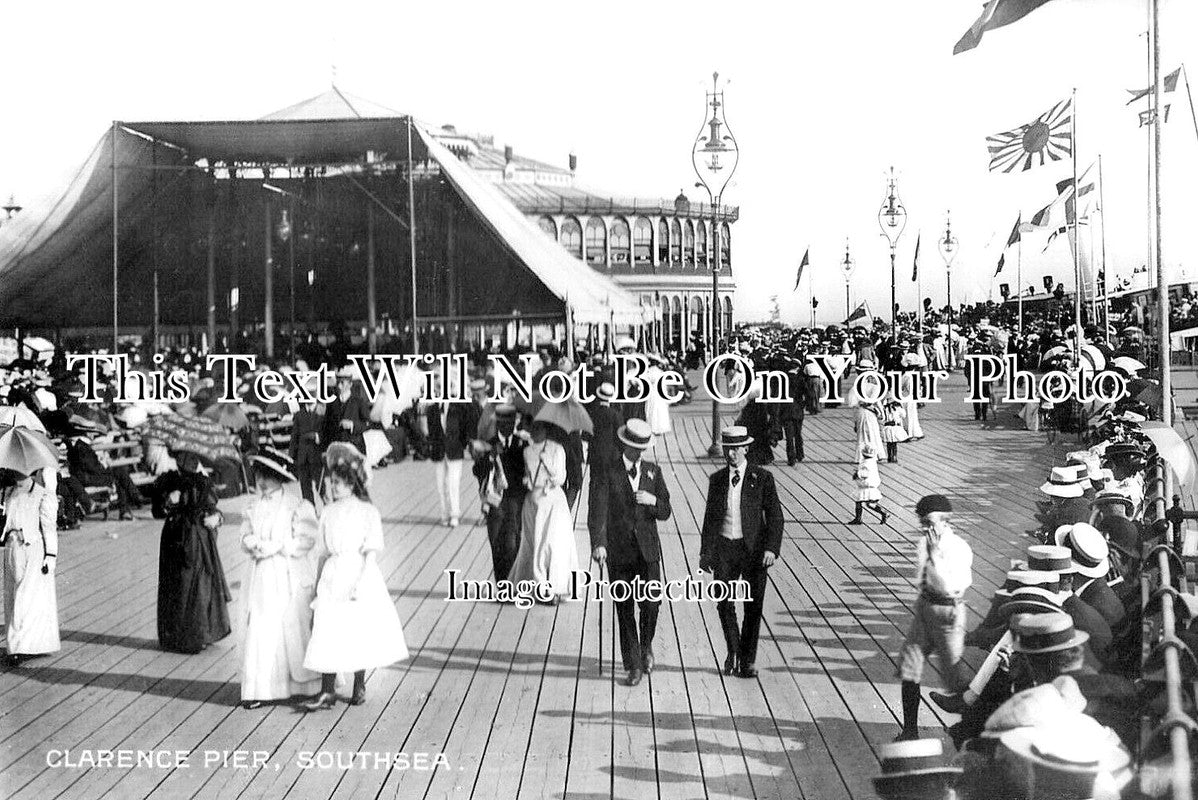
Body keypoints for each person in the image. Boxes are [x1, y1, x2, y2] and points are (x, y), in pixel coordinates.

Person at [302, 443, 408, 710]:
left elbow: (371, 551)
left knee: (356, 626)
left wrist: (362, 581)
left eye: (338, 483)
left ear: (351, 483)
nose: (333, 487)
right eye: (331, 482)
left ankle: (359, 683)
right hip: (332, 572)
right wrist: (317, 586)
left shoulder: (367, 511)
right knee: (327, 625)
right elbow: (323, 552)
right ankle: (327, 688)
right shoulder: (328, 512)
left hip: (357, 571)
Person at [588, 419, 672, 687]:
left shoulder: (652, 472)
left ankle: (646, 645)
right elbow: (597, 510)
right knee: (625, 609)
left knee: (652, 604)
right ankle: (633, 664)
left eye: (642, 448)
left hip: (648, 551)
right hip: (619, 550)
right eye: (635, 447)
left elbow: (666, 511)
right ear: (625, 445)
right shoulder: (608, 472)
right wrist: (598, 543)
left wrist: (654, 501)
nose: (639, 452)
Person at [236, 449, 321, 709]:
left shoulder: (296, 505)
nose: (261, 482)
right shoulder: (253, 507)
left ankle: (305, 684)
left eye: (267, 476)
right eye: (259, 475)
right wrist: (253, 543)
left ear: (279, 477)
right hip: (262, 575)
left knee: (293, 624)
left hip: (287, 572)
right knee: (262, 626)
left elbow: (307, 538)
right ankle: (261, 687)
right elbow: (245, 533)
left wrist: (279, 546)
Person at [699, 426, 783, 678]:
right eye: (728, 449)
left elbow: (776, 517)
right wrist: (705, 553)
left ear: (746, 448)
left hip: (754, 551)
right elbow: (709, 519)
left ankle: (746, 661)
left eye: (736, 449)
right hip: (724, 548)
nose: (731, 454)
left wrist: (771, 548)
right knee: (724, 603)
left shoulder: (763, 478)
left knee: (753, 607)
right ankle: (733, 650)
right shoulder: (717, 480)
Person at [895, 494, 972, 741]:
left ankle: (969, 730)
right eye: (923, 523)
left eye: (931, 522)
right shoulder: (923, 544)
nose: (926, 528)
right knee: (910, 667)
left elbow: (952, 585)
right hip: (926, 607)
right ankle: (910, 730)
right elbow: (921, 577)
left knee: (954, 678)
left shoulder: (959, 548)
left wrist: (936, 553)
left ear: (946, 521)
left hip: (949, 611)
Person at [157, 454, 232, 654]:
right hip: (175, 537)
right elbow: (157, 509)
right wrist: (168, 500)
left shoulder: (202, 482)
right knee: (178, 584)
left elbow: (212, 508)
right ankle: (178, 635)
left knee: (198, 584)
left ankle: (199, 634)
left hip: (197, 537)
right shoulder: (169, 479)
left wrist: (216, 518)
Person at [508, 421, 580, 600]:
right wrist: (527, 480)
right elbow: (527, 475)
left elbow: (561, 478)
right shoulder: (527, 451)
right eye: (532, 428)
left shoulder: (557, 449)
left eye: (538, 428)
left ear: (546, 429)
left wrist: (548, 463)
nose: (534, 431)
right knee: (534, 542)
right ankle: (537, 585)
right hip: (534, 501)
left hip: (554, 501)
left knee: (553, 544)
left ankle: (555, 586)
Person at [2, 469, 60, 666]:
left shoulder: (41, 494)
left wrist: (50, 554)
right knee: (12, 594)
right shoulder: (8, 493)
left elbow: (49, 526)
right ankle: (22, 644)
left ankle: (20, 646)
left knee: (27, 597)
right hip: (12, 546)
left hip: (33, 546)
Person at [472, 404, 527, 583]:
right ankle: (502, 584)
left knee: (512, 542)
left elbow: (524, 471)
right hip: (495, 501)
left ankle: (512, 583)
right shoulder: (489, 444)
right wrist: (489, 458)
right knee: (496, 541)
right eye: (504, 424)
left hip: (514, 500)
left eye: (510, 424)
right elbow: (477, 471)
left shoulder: (522, 443)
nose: (508, 427)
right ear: (498, 424)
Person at [289, 401, 323, 506]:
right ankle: (310, 511)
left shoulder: (323, 412)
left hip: (317, 456)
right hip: (302, 457)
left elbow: (329, 433)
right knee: (305, 488)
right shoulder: (299, 415)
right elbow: (294, 437)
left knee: (322, 488)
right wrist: (292, 456)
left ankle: (328, 510)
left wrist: (317, 436)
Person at [849, 443, 888, 525]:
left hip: (866, 486)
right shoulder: (872, 461)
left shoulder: (865, 463)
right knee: (865, 503)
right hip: (869, 486)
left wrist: (857, 474)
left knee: (865, 502)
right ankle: (859, 518)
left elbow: (864, 473)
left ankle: (883, 513)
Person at [778, 360, 807, 465]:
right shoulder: (801, 380)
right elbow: (807, 394)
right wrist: (802, 404)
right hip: (798, 410)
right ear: (798, 368)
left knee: (789, 436)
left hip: (785, 410)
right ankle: (800, 454)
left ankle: (791, 458)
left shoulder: (782, 380)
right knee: (798, 433)